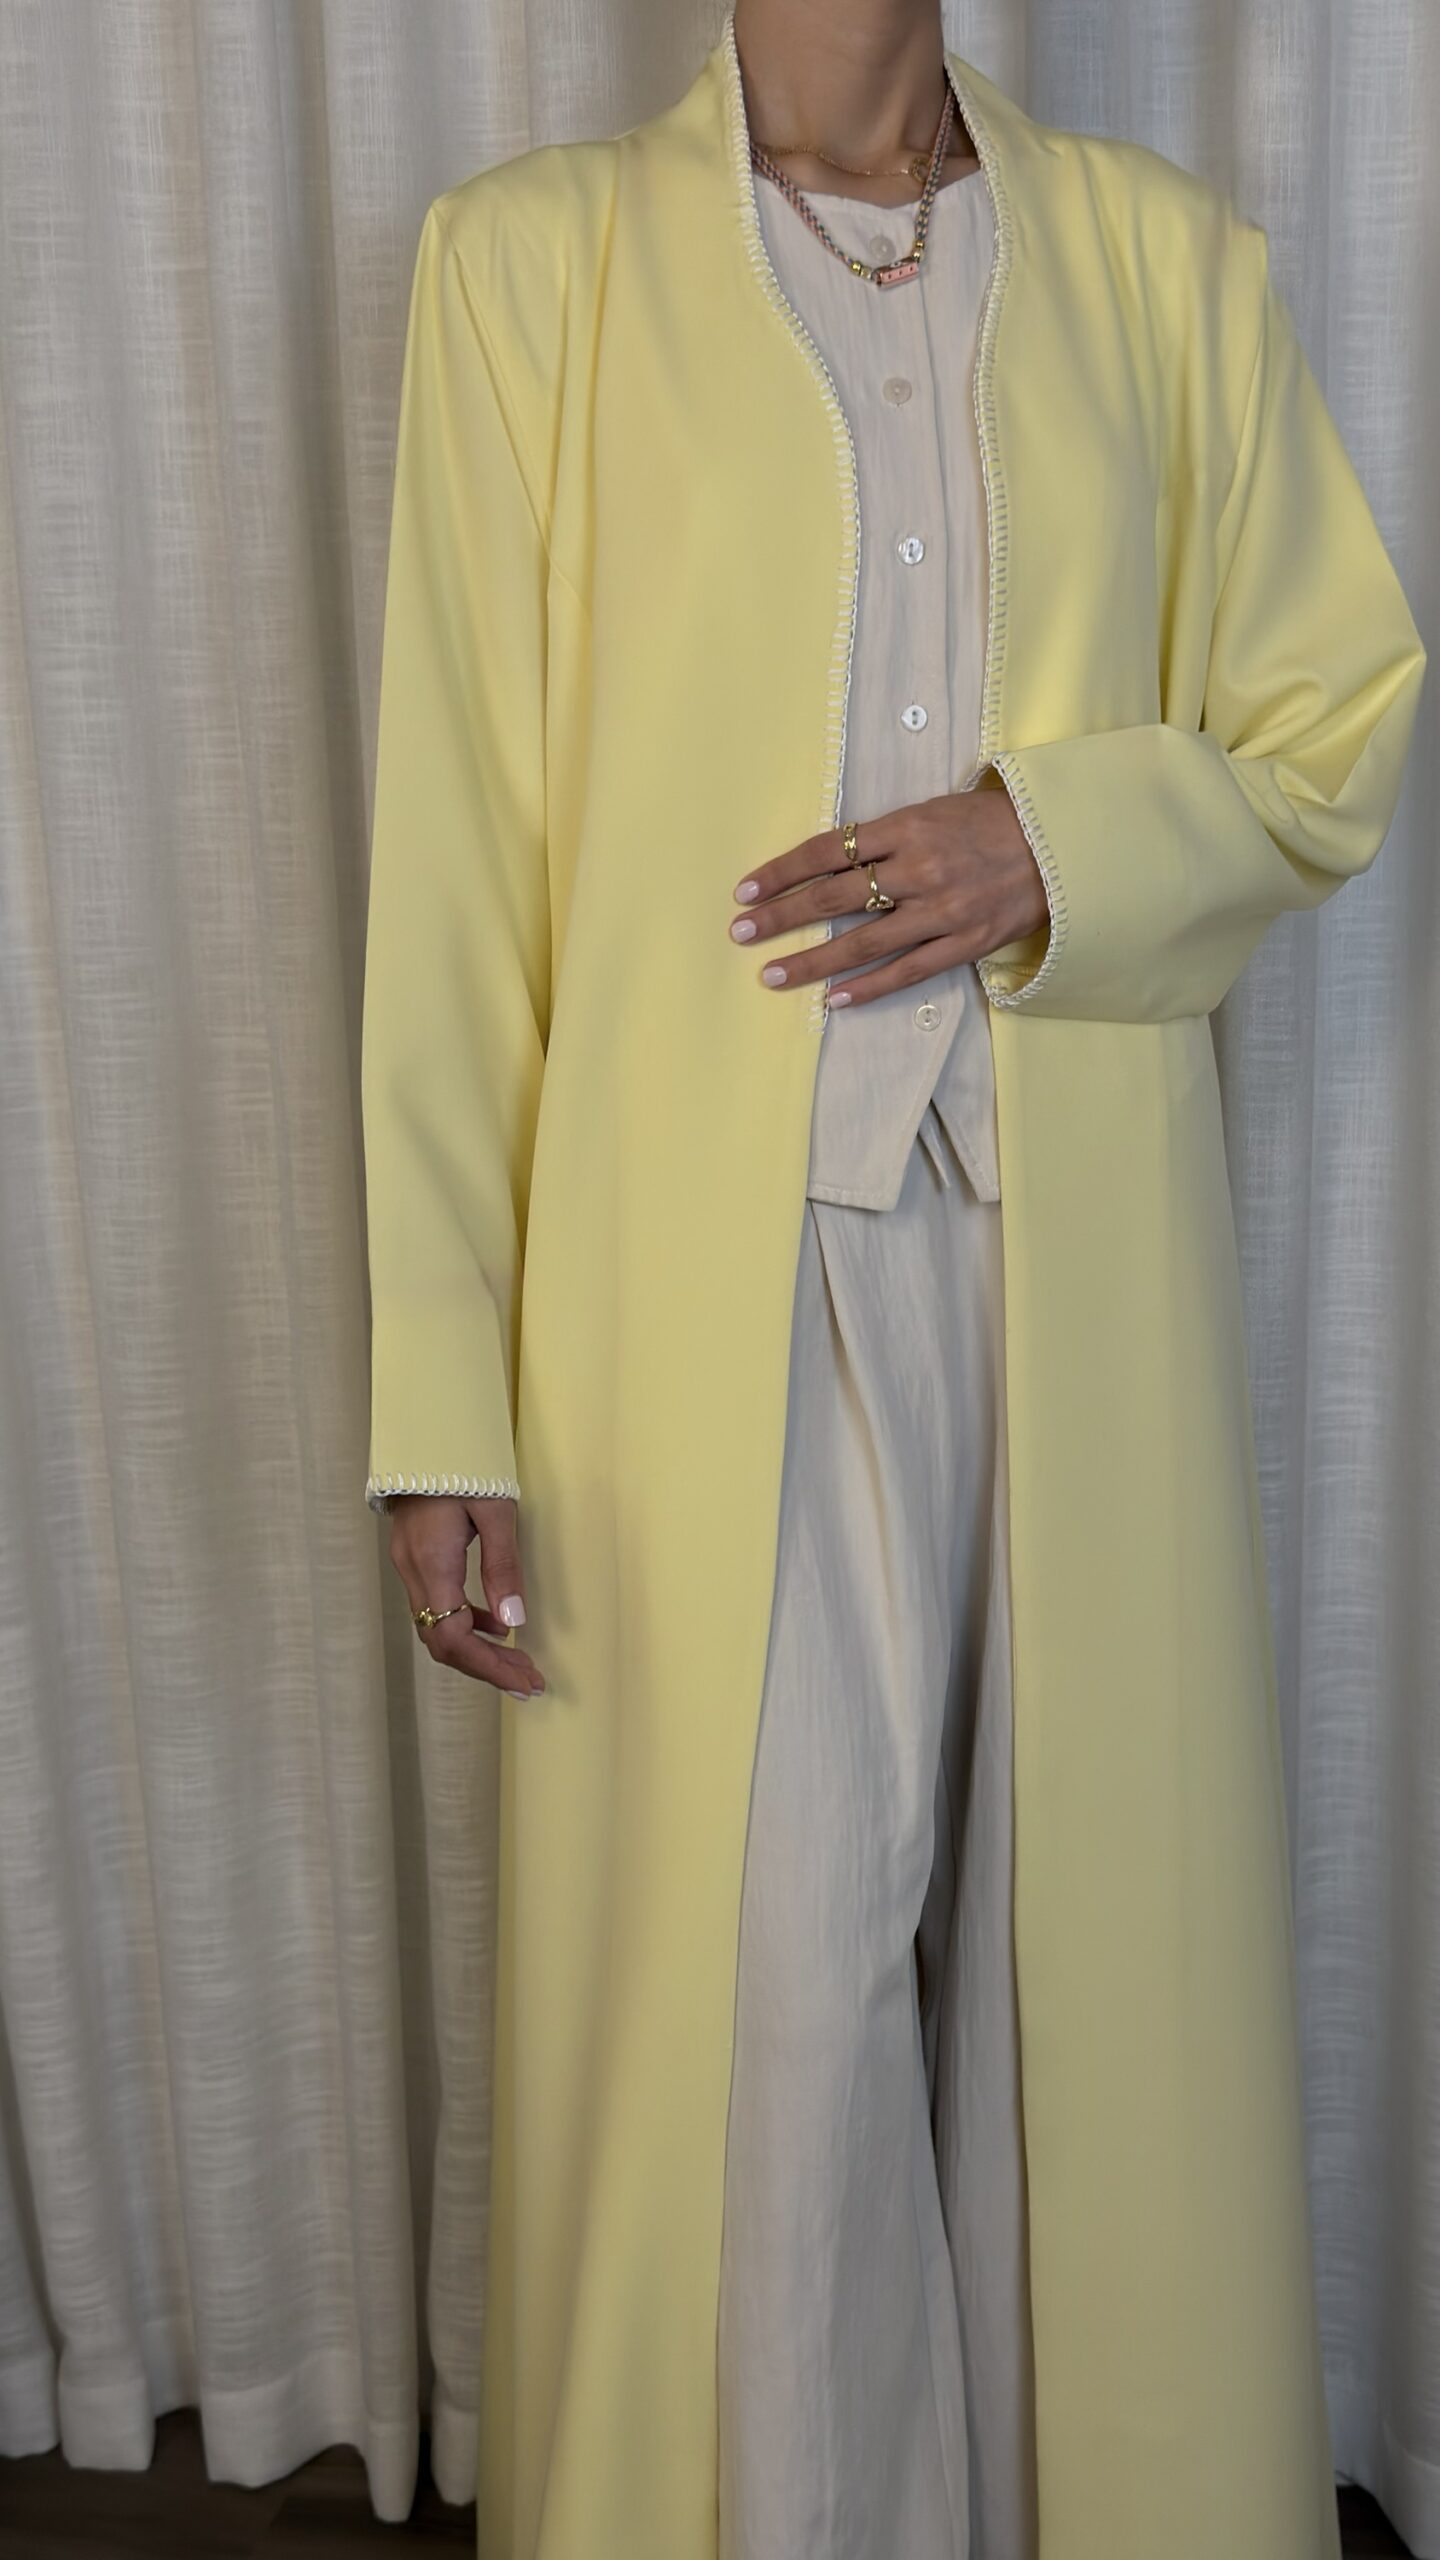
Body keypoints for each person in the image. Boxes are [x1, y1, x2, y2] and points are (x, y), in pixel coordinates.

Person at [358, 4, 1428, 2555]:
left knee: (1078, 2007)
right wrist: (440, 1387)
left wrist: (1049, 839)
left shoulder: (1163, 265)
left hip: (1077, 1271)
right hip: (687, 1303)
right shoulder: (534, 270)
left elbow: (1335, 727)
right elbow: (460, 857)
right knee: (781, 2000)